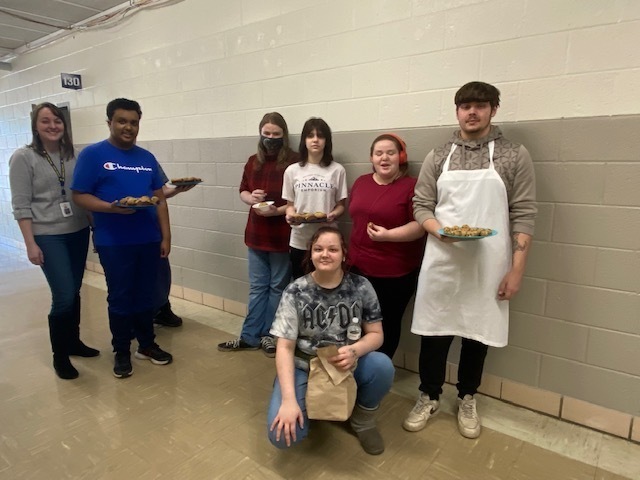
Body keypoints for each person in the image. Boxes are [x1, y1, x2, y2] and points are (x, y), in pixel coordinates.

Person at [403, 81, 536, 439]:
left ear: (494, 109)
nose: (472, 112)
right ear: (457, 110)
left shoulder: (513, 155)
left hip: (489, 263)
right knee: (434, 331)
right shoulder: (438, 155)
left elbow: (523, 213)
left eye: (480, 105)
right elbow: (421, 204)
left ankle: (467, 396)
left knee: (478, 333)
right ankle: (429, 394)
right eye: (465, 106)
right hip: (443, 258)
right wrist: (438, 230)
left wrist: (516, 270)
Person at [267, 227, 395, 455]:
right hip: (305, 366)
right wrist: (288, 400)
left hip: (346, 364)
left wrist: (355, 350)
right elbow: (284, 348)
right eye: (318, 249)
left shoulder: (361, 286)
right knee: (282, 437)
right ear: (311, 254)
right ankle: (304, 400)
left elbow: (376, 334)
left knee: (382, 365)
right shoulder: (295, 291)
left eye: (333, 249)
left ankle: (362, 420)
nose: (325, 254)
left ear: (344, 254)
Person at [71, 98, 173, 379]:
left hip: (149, 239)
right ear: (110, 123)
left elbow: (160, 199)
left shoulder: (146, 158)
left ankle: (147, 345)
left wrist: (166, 235)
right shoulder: (93, 155)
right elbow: (79, 195)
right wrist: (110, 208)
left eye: (134, 122)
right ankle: (122, 351)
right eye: (122, 121)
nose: (128, 127)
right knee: (120, 297)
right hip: (114, 241)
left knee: (146, 295)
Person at [9, 102, 98, 380]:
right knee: (62, 295)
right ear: (35, 126)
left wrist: (95, 229)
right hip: (47, 235)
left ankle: (73, 342)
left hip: (77, 229)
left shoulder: (73, 155)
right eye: (45, 121)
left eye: (57, 120)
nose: (52, 126)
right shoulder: (23, 158)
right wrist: (30, 244)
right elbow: (21, 205)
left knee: (74, 290)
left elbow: (82, 195)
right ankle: (60, 356)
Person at [217, 112, 298, 357]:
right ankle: (249, 336)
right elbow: (243, 190)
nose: (271, 138)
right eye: (267, 134)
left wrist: (277, 211)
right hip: (255, 233)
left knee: (277, 287)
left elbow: (300, 200)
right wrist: (250, 198)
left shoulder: (294, 162)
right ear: (260, 134)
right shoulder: (253, 161)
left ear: (284, 134)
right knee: (257, 287)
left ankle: (269, 336)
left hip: (282, 234)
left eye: (276, 134)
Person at [347, 133, 425, 359]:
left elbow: (420, 225)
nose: (384, 158)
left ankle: (379, 371)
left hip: (395, 274)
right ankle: (355, 365)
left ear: (401, 156)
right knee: (356, 321)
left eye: (390, 153)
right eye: (378, 153)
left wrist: (388, 235)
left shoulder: (412, 186)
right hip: (357, 269)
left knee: (387, 324)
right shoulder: (361, 182)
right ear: (371, 158)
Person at [283, 118, 348, 279]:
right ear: (304, 140)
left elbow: (341, 205)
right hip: (300, 240)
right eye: (310, 136)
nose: (315, 140)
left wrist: (334, 214)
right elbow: (290, 205)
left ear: (327, 141)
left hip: (328, 241)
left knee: (327, 285)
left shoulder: (337, 170)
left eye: (320, 136)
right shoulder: (292, 171)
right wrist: (290, 215)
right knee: (301, 286)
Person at [152, 164, 197, 328]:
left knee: (161, 273)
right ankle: (135, 320)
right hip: (122, 230)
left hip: (152, 228)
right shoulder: (103, 157)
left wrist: (177, 189)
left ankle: (161, 308)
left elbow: (160, 194)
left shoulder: (147, 159)